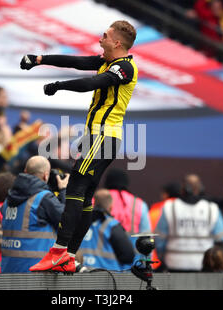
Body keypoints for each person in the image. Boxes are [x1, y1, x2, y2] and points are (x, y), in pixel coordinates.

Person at [21, 20, 138, 273]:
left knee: (75, 187)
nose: (100, 38)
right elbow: (78, 61)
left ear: (117, 42)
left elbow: (92, 83)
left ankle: (59, 252)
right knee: (84, 197)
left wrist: (58, 86)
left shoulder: (125, 68)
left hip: (102, 137)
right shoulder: (109, 61)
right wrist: (39, 58)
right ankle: (69, 256)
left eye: (105, 35)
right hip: (100, 138)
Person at [0, 156, 69, 273]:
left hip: (9, 271)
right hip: (37, 274)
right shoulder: (43, 199)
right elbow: (67, 221)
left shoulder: (8, 199)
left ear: (25, 172)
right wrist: (63, 191)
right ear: (46, 175)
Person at [155, 174, 223, 271]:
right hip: (204, 267)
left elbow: (159, 241)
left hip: (175, 265)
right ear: (200, 188)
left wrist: (163, 258)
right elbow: (222, 241)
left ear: (182, 188)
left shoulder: (170, 208)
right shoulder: (212, 209)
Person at [78, 189, 135, 271]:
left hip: (81, 274)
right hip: (107, 276)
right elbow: (128, 256)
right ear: (111, 207)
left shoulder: (81, 222)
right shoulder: (112, 225)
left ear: (94, 203)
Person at [104, 168, 152, 235]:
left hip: (100, 244)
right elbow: (146, 234)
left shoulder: (96, 200)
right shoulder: (139, 204)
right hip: (131, 245)